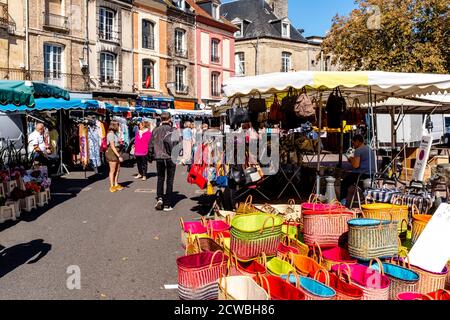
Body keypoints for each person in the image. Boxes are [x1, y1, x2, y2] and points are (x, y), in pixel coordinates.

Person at [149, 112, 181, 211]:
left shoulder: (155, 130)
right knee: (170, 179)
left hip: (159, 157)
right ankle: (167, 203)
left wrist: (150, 156)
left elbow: (150, 144)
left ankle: (160, 198)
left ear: (161, 119)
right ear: (170, 119)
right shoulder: (173, 130)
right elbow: (178, 144)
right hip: (171, 157)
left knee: (160, 178)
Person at [341, 134, 377, 205]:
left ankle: (343, 201)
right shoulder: (369, 149)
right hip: (371, 175)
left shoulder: (358, 150)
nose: (353, 145)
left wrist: (351, 159)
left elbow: (356, 165)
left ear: (357, 141)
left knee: (344, 182)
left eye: (353, 143)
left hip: (362, 175)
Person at [105, 121, 124, 193]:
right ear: (114, 126)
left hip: (116, 151)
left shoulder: (115, 134)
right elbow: (112, 146)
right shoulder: (110, 134)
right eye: (118, 126)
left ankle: (116, 184)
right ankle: (112, 186)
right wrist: (119, 156)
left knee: (118, 169)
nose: (118, 127)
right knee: (112, 170)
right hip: (112, 153)